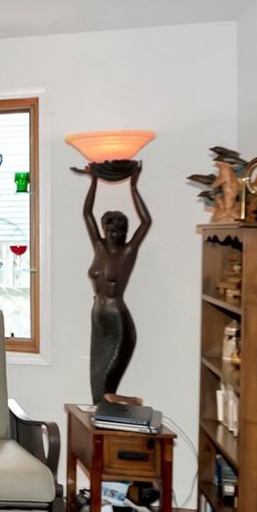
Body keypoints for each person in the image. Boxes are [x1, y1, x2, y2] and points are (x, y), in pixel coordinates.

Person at [82, 160, 152, 405]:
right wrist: (93, 180)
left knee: (104, 387)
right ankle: (123, 407)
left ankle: (123, 412)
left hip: (118, 325)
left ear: (124, 233)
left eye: (119, 232)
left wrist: (133, 185)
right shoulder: (99, 247)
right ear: (104, 229)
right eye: (110, 230)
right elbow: (86, 214)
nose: (114, 235)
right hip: (98, 320)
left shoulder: (128, 253)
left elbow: (146, 222)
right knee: (96, 390)